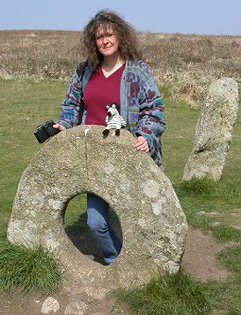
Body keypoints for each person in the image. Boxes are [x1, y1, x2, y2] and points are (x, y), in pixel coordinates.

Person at [53, 10, 166, 265]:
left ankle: (149, 269)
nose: (104, 41)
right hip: (94, 155)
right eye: (99, 37)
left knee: (141, 218)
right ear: (93, 42)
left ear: (120, 35)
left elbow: (155, 110)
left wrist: (147, 135)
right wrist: (65, 125)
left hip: (130, 154)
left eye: (109, 34)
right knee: (96, 222)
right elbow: (72, 105)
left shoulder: (137, 71)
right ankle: (116, 262)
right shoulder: (85, 71)